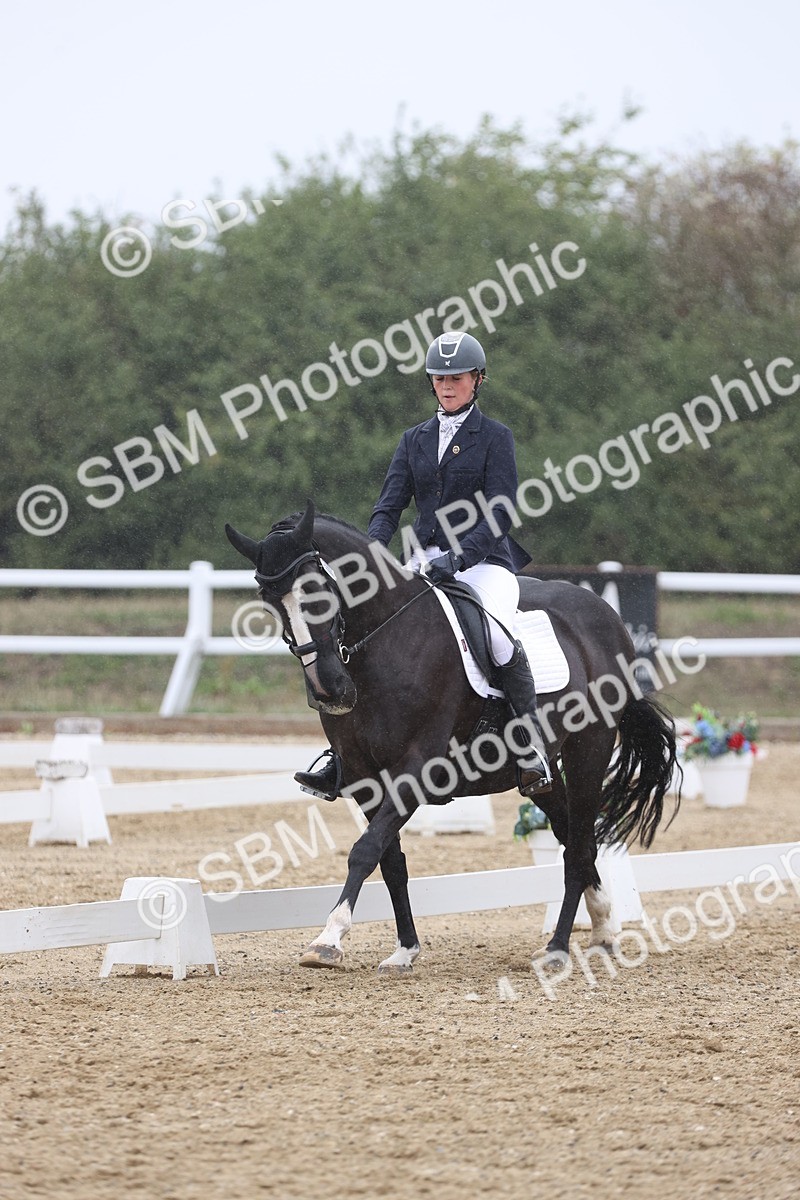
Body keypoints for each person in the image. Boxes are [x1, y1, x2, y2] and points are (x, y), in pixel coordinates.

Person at [295, 330, 553, 800]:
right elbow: (388, 505)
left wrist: (460, 557)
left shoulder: (495, 437)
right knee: (362, 633)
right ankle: (345, 755)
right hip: (422, 561)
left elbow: (500, 509)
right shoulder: (414, 439)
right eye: (439, 378)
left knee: (497, 639)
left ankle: (528, 743)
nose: (447, 386)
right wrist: (373, 553)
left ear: (477, 380)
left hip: (483, 563)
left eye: (456, 378)